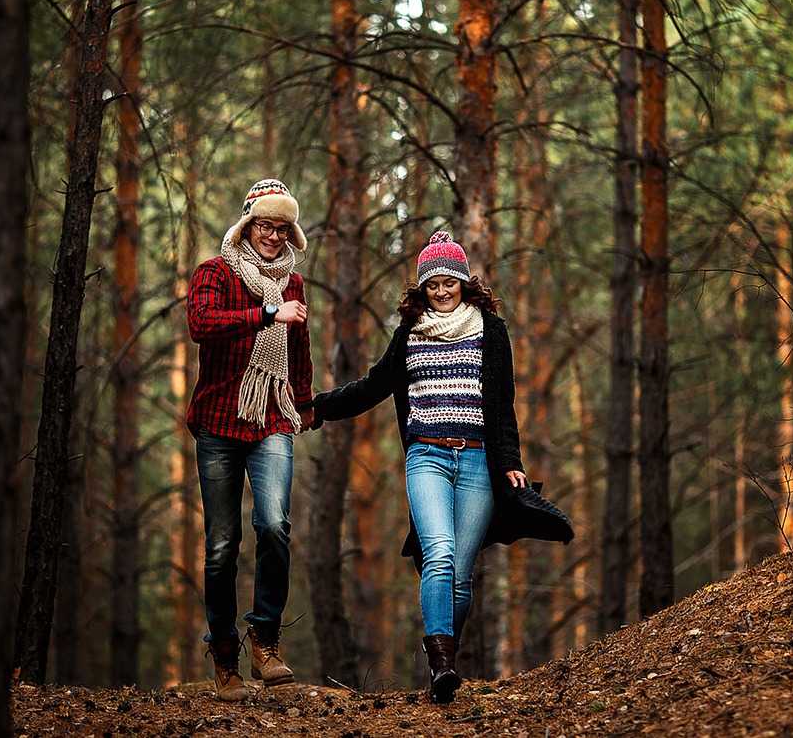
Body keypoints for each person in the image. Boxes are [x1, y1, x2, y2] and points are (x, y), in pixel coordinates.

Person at [311, 230, 571, 704]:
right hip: (426, 457)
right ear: (422, 288)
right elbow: (371, 387)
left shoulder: (492, 331)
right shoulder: (408, 335)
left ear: (464, 282)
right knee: (441, 556)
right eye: (433, 283)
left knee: (463, 575)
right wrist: (319, 408)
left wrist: (510, 462)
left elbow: (503, 404)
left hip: (478, 462)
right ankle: (442, 667)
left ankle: (443, 659)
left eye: (450, 280)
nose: (443, 289)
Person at [186, 178, 314, 701]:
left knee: (275, 524)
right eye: (266, 226)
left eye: (283, 229)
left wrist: (304, 404)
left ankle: (264, 640)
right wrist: (264, 312)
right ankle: (224, 659)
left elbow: (299, 347)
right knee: (221, 546)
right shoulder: (214, 273)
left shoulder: (294, 284)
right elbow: (202, 324)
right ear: (247, 225)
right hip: (218, 421)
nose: (273, 237)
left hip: (271, 421)